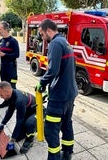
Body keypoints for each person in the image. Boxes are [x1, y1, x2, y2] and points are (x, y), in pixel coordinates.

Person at [35, 19, 78, 160]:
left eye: (42, 34)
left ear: (48, 30)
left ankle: (53, 158)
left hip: (59, 96)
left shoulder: (55, 43)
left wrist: (42, 83)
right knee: (66, 123)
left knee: (51, 129)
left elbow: (53, 70)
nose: (42, 38)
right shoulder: (65, 42)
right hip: (70, 93)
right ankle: (67, 152)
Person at [0, 81, 37, 154]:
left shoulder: (19, 100)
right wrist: (2, 124)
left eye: (1, 95)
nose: (0, 97)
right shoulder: (11, 95)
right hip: (27, 111)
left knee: (29, 123)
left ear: (7, 91)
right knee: (18, 136)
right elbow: (10, 111)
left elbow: (19, 120)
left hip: (37, 112)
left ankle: (30, 140)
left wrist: (12, 139)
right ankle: (27, 129)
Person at [0, 21, 20, 108]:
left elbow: (17, 55)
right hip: (3, 67)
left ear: (5, 29)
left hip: (11, 67)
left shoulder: (13, 41)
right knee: (3, 86)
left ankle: (15, 103)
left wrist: (4, 55)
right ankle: (6, 102)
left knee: (12, 86)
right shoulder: (0, 41)